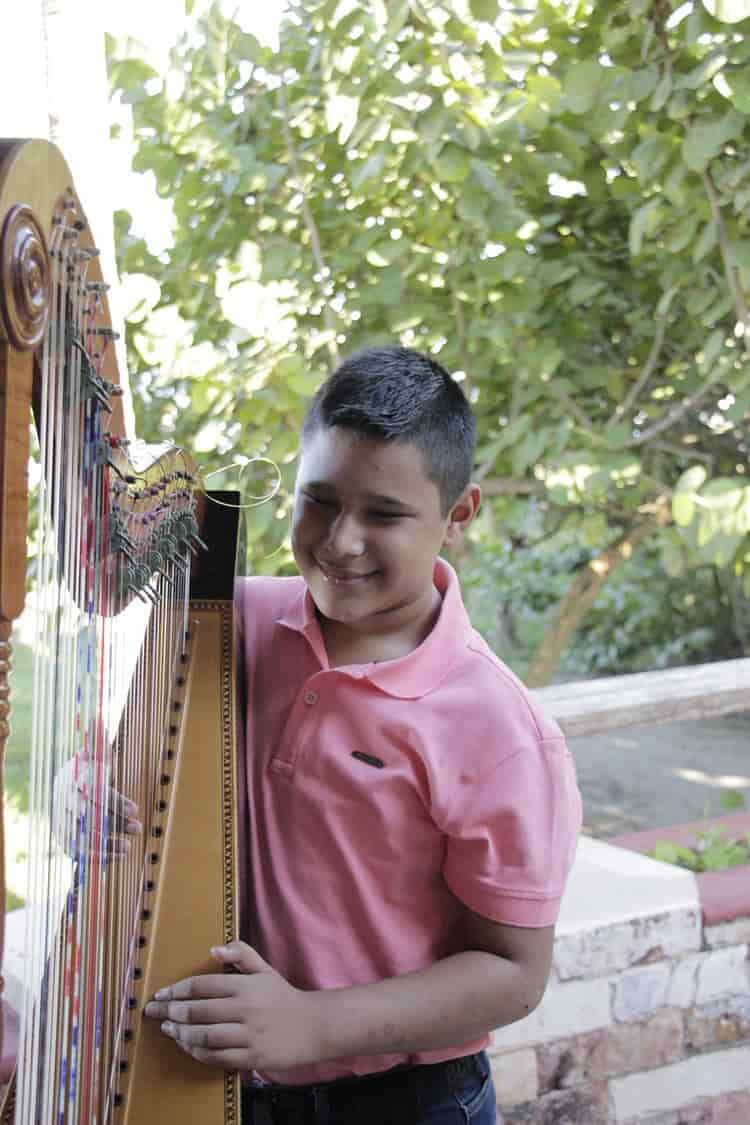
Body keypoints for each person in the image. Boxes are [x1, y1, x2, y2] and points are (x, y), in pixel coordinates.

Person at [144, 345, 583, 1124]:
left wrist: (310, 1023)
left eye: (383, 514)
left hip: (408, 1101)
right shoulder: (229, 621)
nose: (340, 541)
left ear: (459, 515)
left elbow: (515, 973)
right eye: (319, 500)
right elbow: (131, 782)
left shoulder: (502, 731)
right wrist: (108, 800)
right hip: (227, 1087)